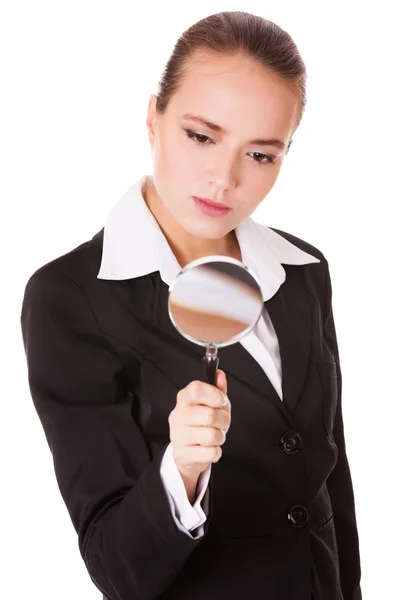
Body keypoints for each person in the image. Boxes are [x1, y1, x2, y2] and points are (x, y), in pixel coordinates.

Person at [20, 10, 362, 600]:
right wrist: (180, 470)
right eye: (201, 135)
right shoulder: (69, 298)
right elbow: (117, 570)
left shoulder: (303, 271)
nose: (223, 178)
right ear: (153, 119)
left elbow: (333, 486)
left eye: (261, 154)